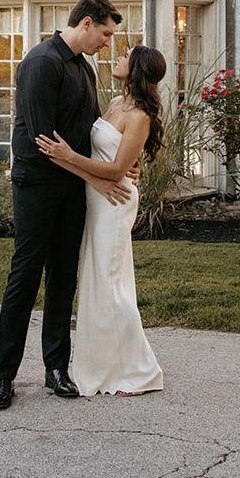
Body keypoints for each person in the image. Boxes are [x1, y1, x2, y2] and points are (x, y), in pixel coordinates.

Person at [0, 0, 135, 410]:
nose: (108, 42)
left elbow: (90, 130)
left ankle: (56, 370)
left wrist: (123, 165)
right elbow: (44, 143)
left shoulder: (83, 68)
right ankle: (4, 377)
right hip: (37, 185)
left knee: (63, 276)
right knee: (25, 276)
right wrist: (98, 179)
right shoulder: (41, 62)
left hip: (73, 188)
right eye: (105, 33)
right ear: (86, 23)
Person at [36, 44, 166, 397]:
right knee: (97, 282)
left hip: (115, 201)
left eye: (127, 55)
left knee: (110, 283)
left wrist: (68, 156)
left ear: (136, 68)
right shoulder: (115, 102)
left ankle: (138, 371)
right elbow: (108, 152)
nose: (120, 56)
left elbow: (117, 169)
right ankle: (103, 367)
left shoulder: (139, 115)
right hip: (95, 198)